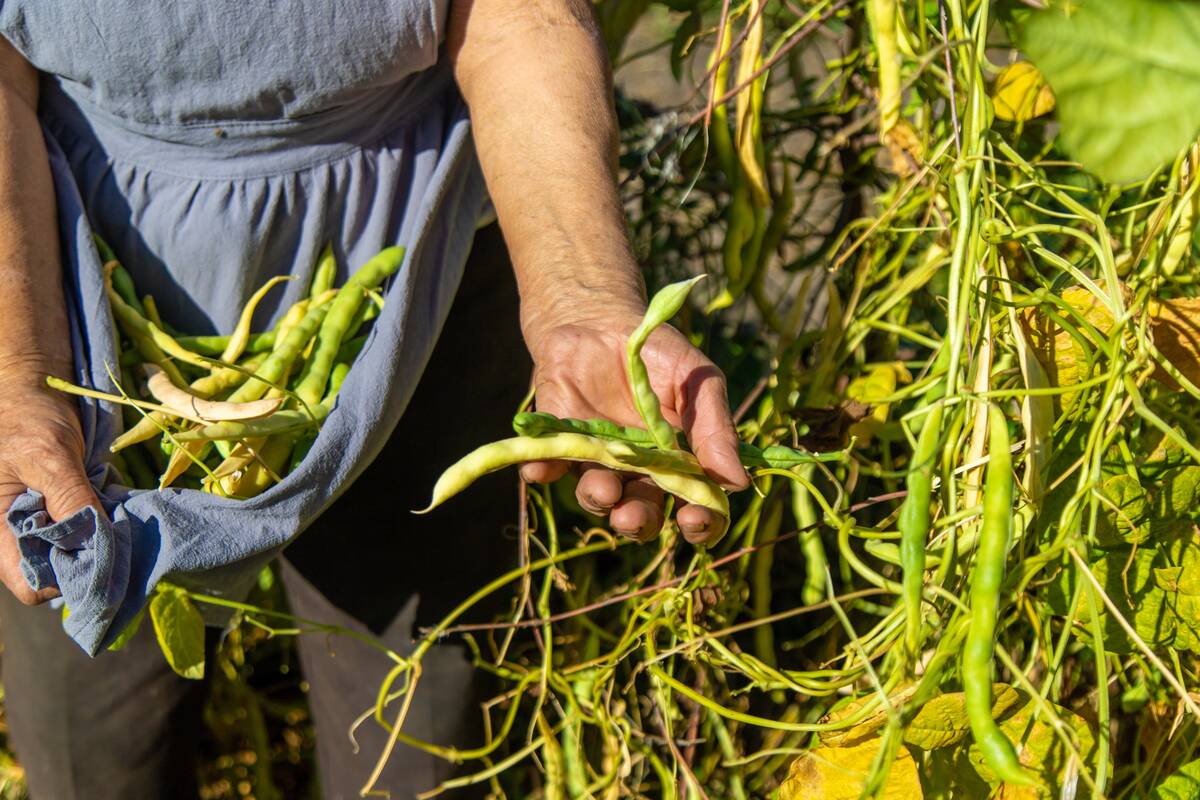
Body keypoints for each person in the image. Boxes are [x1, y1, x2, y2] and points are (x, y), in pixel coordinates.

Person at [0, 1, 750, 797]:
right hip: (63, 280)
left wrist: (583, 298)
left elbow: (519, 14)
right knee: (95, 736)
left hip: (424, 267)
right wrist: (18, 370)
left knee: (414, 720)